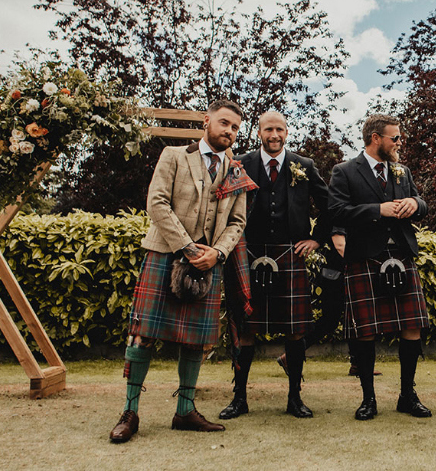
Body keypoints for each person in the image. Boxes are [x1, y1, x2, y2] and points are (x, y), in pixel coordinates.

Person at [109, 100, 252, 443]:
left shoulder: (236, 171)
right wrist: (187, 248)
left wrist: (216, 253)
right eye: (224, 123)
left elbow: (238, 221)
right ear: (207, 121)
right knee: (143, 334)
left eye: (235, 128)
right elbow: (157, 202)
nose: (229, 131)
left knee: (196, 340)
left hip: (207, 263)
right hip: (166, 254)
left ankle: (185, 410)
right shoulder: (174, 155)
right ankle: (130, 411)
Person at [219, 111, 332, 420]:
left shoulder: (304, 166)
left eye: (280, 129)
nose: (275, 134)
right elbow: (223, 205)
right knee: (245, 329)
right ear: (259, 132)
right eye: (269, 129)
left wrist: (316, 239)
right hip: (248, 254)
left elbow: (330, 206)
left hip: (290, 254)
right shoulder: (240, 164)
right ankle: (239, 398)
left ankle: (294, 398)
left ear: (286, 132)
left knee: (295, 331)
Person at [328, 114, 432, 420]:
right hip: (364, 258)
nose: (400, 142)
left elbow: (421, 203)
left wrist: (416, 204)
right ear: (376, 139)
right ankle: (368, 399)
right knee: (366, 332)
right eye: (395, 138)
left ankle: (407, 395)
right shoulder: (345, 171)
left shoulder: (402, 171)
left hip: (402, 256)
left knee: (412, 326)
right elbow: (336, 211)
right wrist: (378, 210)